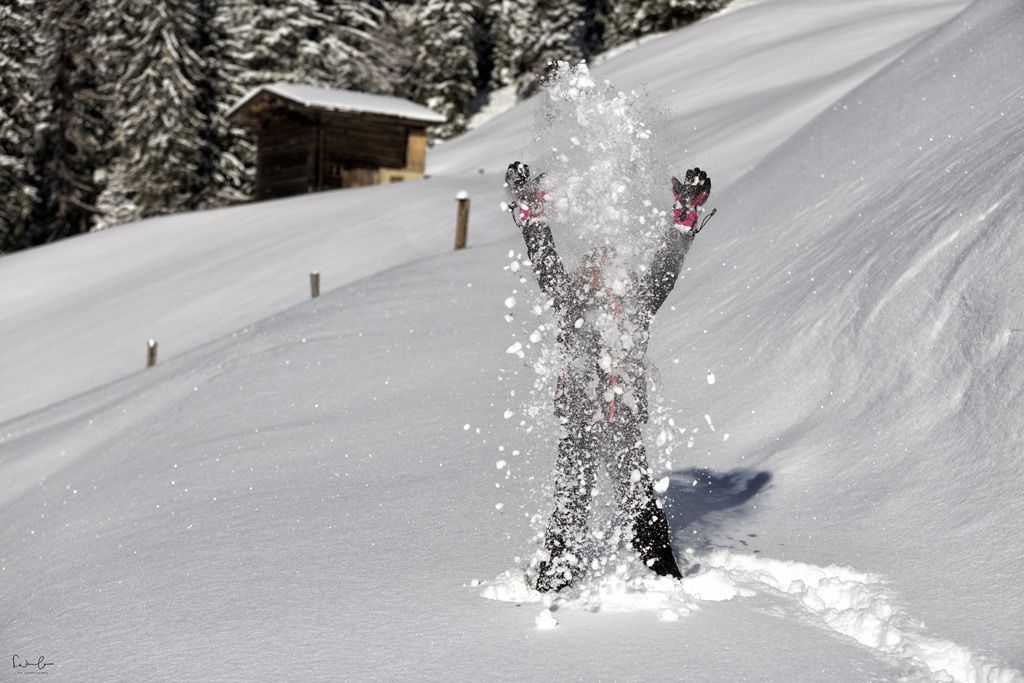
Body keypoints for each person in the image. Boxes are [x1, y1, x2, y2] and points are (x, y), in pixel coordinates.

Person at [505, 162, 713, 592]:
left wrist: (684, 220)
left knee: (639, 500)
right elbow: (544, 262)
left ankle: (663, 575)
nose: (597, 273)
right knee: (571, 500)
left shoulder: (636, 304)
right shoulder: (570, 300)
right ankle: (555, 577)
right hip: (580, 416)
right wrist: (530, 215)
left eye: (607, 265)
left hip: (622, 418)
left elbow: (666, 270)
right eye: (591, 266)